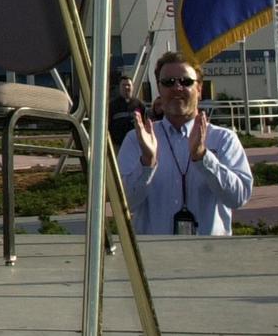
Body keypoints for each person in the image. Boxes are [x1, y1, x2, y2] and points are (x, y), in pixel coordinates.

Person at [119, 50, 252, 235]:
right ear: (159, 88)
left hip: (209, 255)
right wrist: (147, 163)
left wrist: (204, 158)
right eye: (168, 82)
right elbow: (124, 203)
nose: (177, 88)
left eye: (186, 82)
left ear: (199, 89)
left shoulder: (223, 139)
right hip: (154, 257)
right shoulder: (137, 140)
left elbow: (238, 198)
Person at [108, 74, 142, 149]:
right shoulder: (112, 105)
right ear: (119, 88)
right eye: (123, 85)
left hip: (136, 145)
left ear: (132, 87)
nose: (126, 87)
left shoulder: (139, 104)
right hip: (118, 145)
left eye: (128, 85)